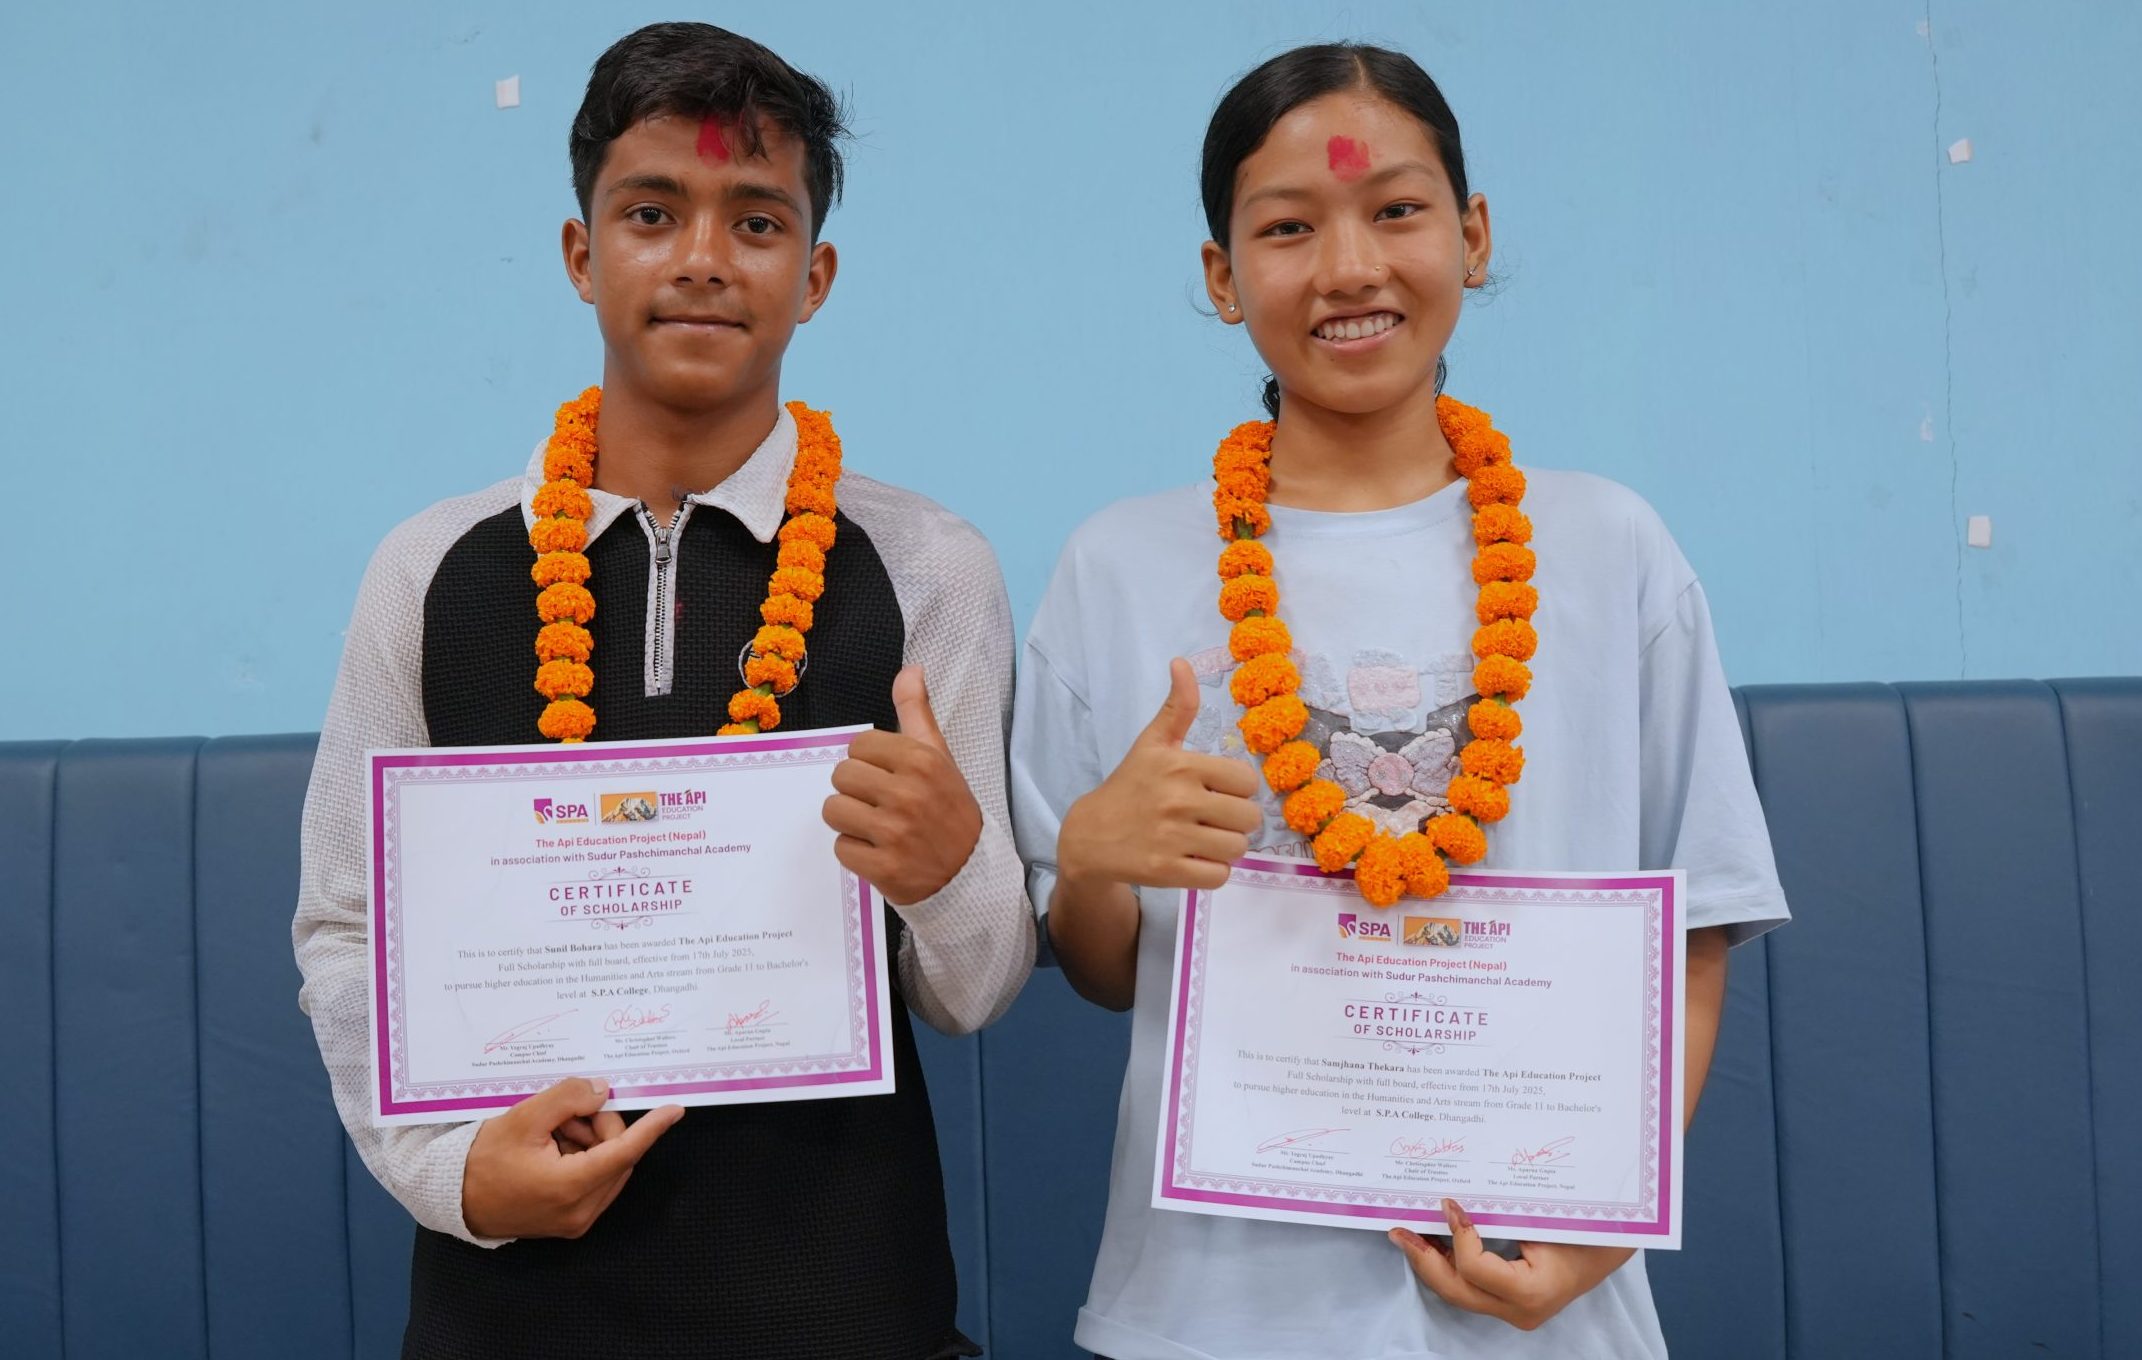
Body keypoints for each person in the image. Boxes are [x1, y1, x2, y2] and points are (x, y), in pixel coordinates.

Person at [1010, 41, 1789, 1359]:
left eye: (1396, 210)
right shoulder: (1119, 565)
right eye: (1286, 228)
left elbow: (1695, 931)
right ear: (1221, 277)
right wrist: (1091, 857)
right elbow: (1098, 970)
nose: (1349, 267)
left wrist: (1595, 1243)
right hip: (1213, 1313)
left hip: (1536, 1303)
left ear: (1472, 237)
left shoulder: (1611, 548)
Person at [292, 22, 1032, 1358]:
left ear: (814, 276)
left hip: (842, 1306)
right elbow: (347, 929)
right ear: (581, 255)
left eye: (756, 221)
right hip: (511, 1312)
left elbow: (971, 992)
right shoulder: (432, 570)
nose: (702, 257)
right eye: (651, 213)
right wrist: (451, 1178)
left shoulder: (929, 568)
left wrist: (947, 874)